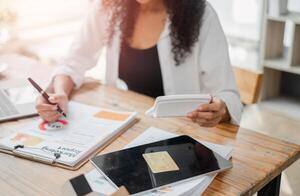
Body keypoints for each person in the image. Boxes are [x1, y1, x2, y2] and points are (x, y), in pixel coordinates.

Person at [36, 0, 243, 127]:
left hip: (180, 133)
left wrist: (220, 111)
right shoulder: (109, 5)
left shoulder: (201, 14)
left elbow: (227, 96)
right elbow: (74, 60)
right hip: (121, 128)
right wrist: (61, 93)